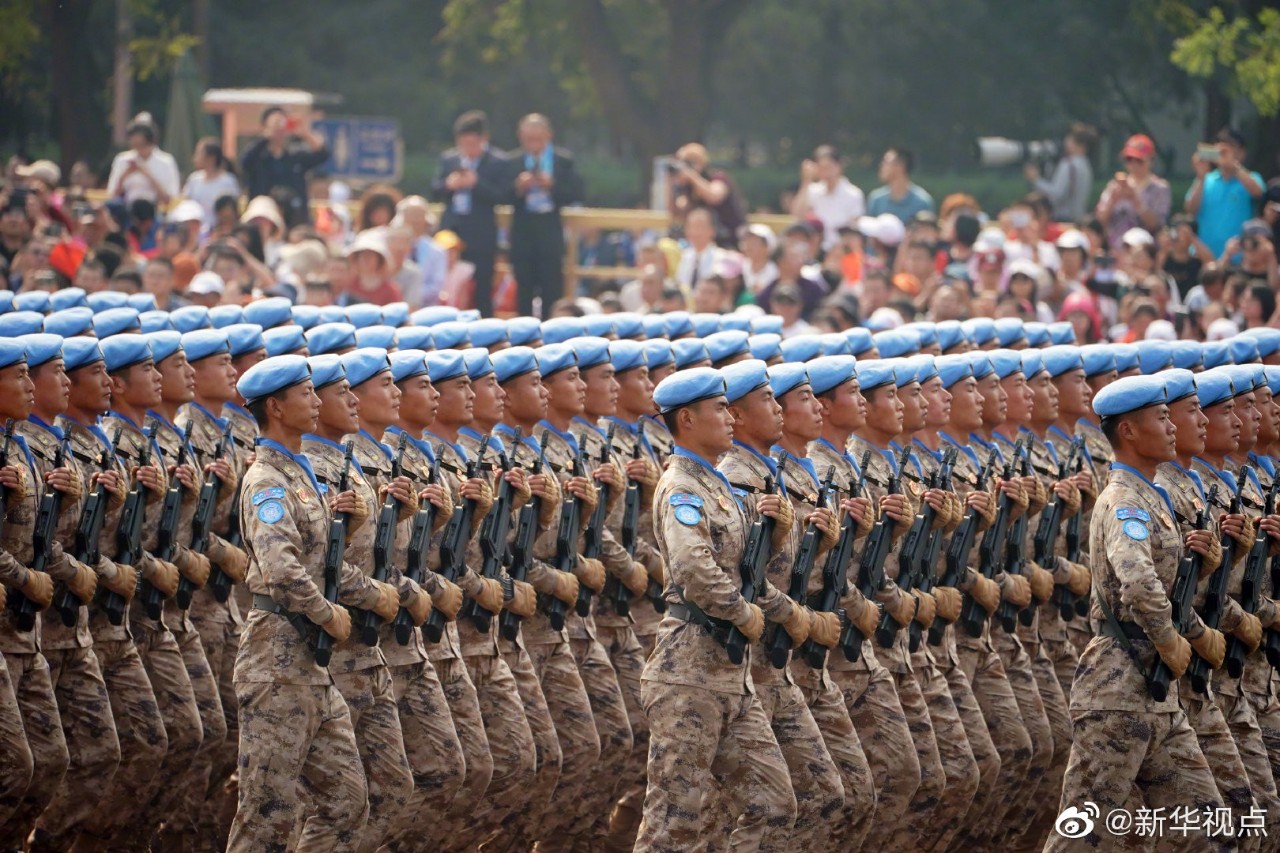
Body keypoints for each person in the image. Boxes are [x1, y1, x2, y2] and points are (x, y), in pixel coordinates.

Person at [1045, 374, 1226, 852]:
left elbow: (1165, 581)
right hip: (1118, 689)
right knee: (1082, 834)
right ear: (1128, 431)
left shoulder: (1151, 497)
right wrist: (1170, 639)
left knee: (1206, 828)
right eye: (1161, 418)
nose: (1173, 427)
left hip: (1154, 690)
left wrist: (1204, 570)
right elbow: (1138, 583)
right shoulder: (1126, 500)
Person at [635, 367, 799, 852]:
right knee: (672, 824)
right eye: (720, 409)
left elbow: (743, 565)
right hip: (687, 672)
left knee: (774, 804)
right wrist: (742, 612)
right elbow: (693, 567)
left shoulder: (716, 484)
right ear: (687, 418)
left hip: (729, 672)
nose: (731, 418)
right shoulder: (682, 486)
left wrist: (782, 536)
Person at [225, 354, 383, 850]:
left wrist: (377, 595)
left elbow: (319, 560)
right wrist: (328, 613)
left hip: (310, 663)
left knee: (347, 799)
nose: (317, 402)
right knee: (266, 812)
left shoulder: (300, 471)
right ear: (275, 406)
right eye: (306, 394)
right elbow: (281, 570)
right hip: (275, 662)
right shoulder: (266, 480)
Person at [431, 111, 508, 317]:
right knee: (447, 285)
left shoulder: (497, 162)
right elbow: (434, 191)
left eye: (473, 144)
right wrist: (449, 185)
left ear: (484, 140)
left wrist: (476, 184)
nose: (468, 149)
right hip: (452, 231)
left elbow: (503, 196)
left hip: (481, 233)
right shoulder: (449, 159)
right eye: (464, 143)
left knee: (482, 287)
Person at [507, 114, 585, 318]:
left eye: (538, 139)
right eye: (529, 139)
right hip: (523, 232)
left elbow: (577, 193)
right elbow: (500, 195)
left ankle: (552, 336)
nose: (534, 144)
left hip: (550, 230)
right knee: (523, 290)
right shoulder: (512, 160)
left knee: (552, 289)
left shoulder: (563, 161)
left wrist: (552, 186)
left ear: (548, 136)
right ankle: (524, 339)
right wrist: (519, 187)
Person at [238, 107, 330, 228]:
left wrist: (305, 133)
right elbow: (244, 162)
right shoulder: (258, 157)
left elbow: (322, 154)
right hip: (265, 217)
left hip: (294, 217)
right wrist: (267, 136)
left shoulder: (295, 156)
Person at [1186, 127, 1265, 258]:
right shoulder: (1207, 180)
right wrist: (1200, 177)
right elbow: (1190, 209)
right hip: (1204, 256)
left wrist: (1233, 165)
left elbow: (1258, 193)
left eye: (1229, 147)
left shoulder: (1251, 177)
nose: (1223, 152)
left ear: (1241, 153)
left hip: (1237, 256)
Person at [1096, 133, 1172, 252]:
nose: (1133, 164)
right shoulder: (1115, 185)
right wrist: (1112, 201)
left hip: (1143, 251)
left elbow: (1156, 225)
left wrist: (1135, 200)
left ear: (1150, 160)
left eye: (1139, 160)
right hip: (1115, 248)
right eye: (1129, 159)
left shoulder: (1160, 188)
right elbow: (1099, 221)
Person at [667, 142, 745, 248]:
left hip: (729, 242)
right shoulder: (688, 189)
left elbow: (713, 196)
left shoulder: (719, 178)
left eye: (687, 163)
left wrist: (691, 176)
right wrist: (670, 184)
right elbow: (676, 212)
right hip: (706, 245)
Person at [791, 146, 865, 251]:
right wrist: (806, 181)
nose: (825, 172)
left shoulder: (853, 194)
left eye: (828, 167)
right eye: (821, 168)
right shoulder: (813, 191)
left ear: (839, 166)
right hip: (816, 248)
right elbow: (797, 215)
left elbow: (853, 228)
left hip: (841, 249)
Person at [1023, 123, 1097, 222]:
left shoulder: (1068, 164)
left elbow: (1057, 194)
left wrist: (1036, 179)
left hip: (1062, 218)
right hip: (1078, 219)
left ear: (1080, 145)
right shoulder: (1086, 165)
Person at [105, 113, 181, 208]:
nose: (137, 149)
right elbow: (113, 195)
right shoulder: (122, 159)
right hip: (127, 208)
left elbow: (169, 198)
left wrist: (146, 173)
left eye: (140, 145)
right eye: (133, 145)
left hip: (155, 210)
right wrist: (124, 175)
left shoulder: (166, 161)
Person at [181, 138, 241, 228]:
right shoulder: (193, 180)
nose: (195, 158)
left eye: (199, 153)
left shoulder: (228, 181)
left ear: (211, 158)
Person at [866, 148, 934, 224]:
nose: (881, 166)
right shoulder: (876, 199)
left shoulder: (921, 202)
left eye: (886, 162)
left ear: (900, 166)